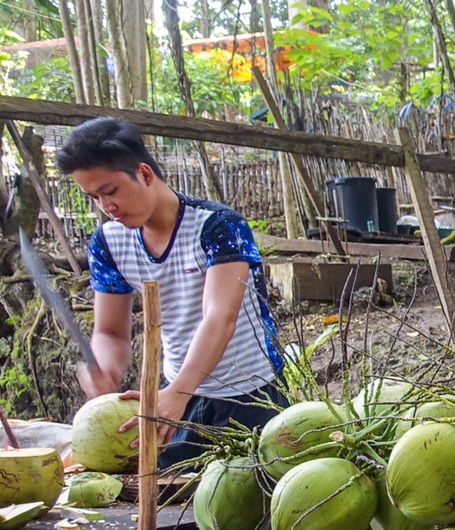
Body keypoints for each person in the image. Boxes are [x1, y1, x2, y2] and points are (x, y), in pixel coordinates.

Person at [57, 117, 285, 470]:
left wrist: (179, 390)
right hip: (180, 397)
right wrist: (106, 367)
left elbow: (219, 317)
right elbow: (110, 332)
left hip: (253, 394)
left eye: (111, 191)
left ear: (145, 174)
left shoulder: (218, 226)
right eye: (95, 197)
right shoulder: (108, 243)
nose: (106, 206)